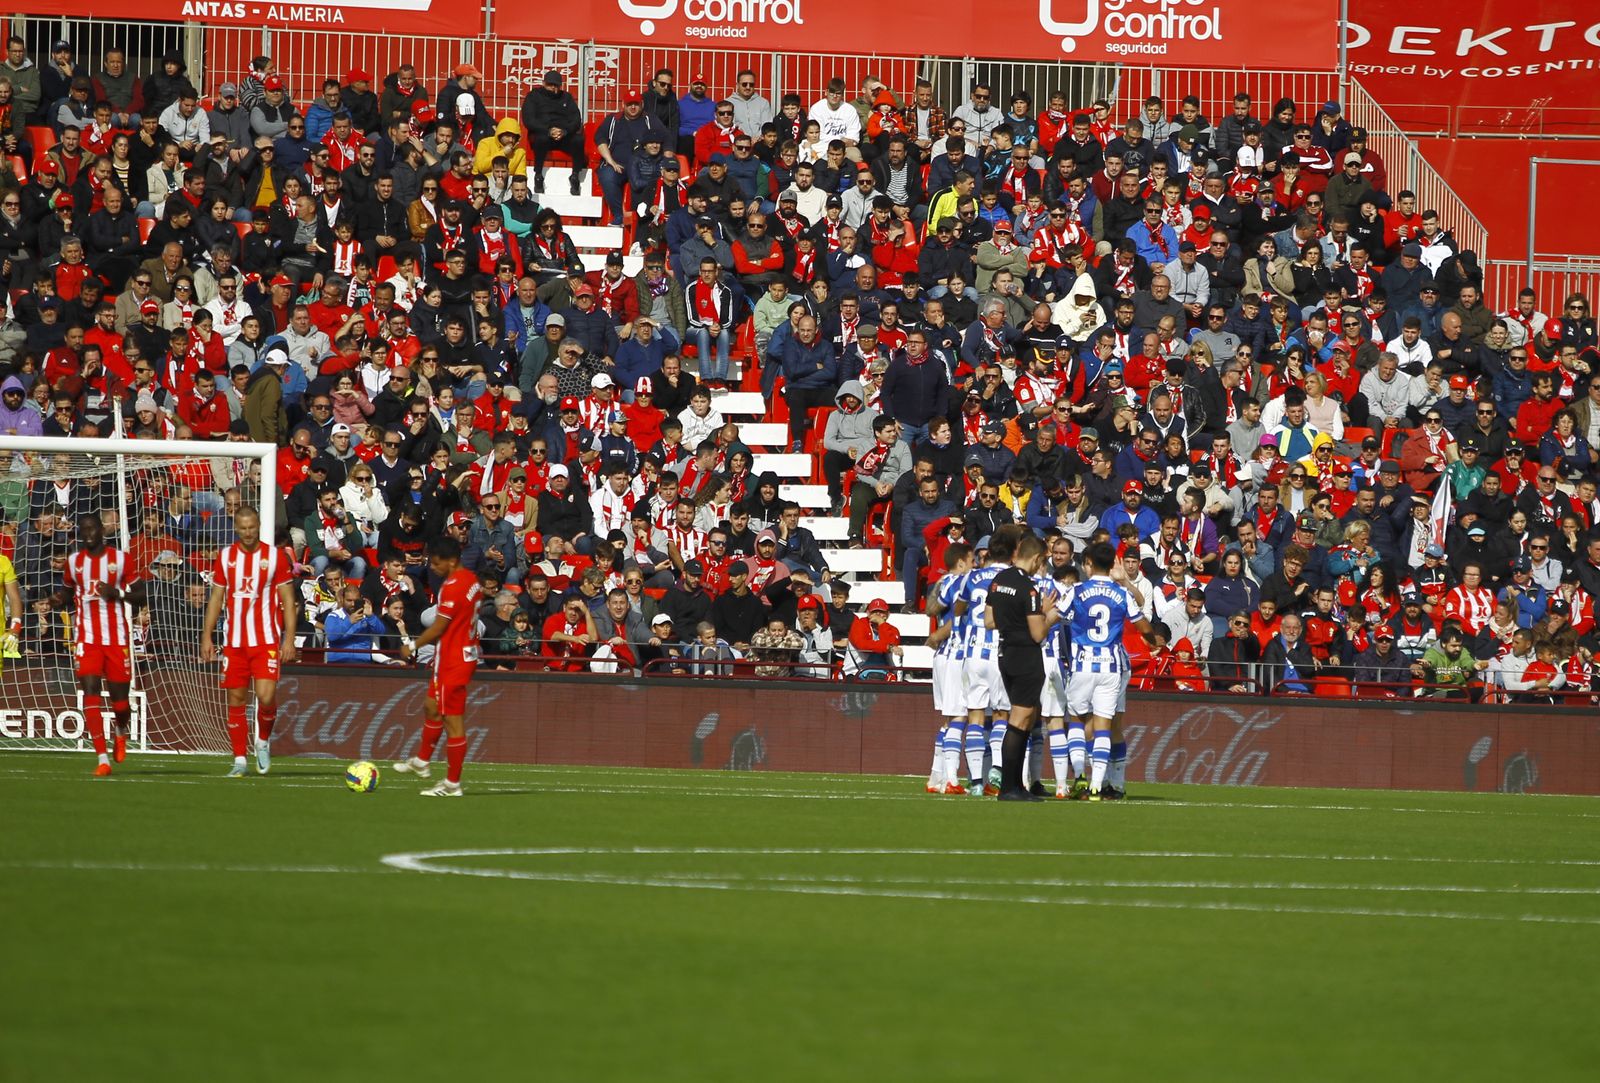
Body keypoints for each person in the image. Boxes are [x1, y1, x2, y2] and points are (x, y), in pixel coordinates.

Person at [199, 508, 298, 777]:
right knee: (236, 699)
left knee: (266, 698)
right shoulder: (226, 557)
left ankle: (263, 741)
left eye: (252, 527)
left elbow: (288, 601)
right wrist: (207, 635)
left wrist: (289, 639)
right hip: (234, 641)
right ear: (236, 528)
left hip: (265, 639)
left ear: (258, 525)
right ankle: (240, 760)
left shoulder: (274, 557)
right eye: (243, 528)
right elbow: (216, 599)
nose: (248, 532)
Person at [1059, 539, 1153, 800]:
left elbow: (1057, 617)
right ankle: (1099, 786)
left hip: (1082, 664)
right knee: (1106, 726)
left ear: (1088, 564)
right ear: (1112, 563)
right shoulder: (1121, 593)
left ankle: (1084, 778)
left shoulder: (1076, 591)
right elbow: (1143, 622)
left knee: (1078, 722)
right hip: (1113, 666)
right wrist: (1154, 638)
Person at [55, 513, 146, 776]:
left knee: (121, 704)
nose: (89, 534)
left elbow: (141, 595)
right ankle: (102, 759)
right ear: (80, 533)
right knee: (91, 691)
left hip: (116, 638)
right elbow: (70, 591)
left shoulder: (120, 559)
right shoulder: (73, 562)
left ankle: (120, 730)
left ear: (102, 530)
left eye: (92, 528)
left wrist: (117, 593)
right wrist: (56, 599)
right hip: (87, 638)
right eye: (84, 530)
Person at [392, 538, 482, 797]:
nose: (433, 566)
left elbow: (440, 627)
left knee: (452, 722)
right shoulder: (471, 580)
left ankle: (452, 784)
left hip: (454, 660)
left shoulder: (453, 586)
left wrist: (412, 645)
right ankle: (422, 761)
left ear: (451, 561)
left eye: (436, 562)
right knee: (431, 706)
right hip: (456, 655)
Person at [985, 530, 1056, 800]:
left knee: (1021, 718)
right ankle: (1009, 787)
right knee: (1020, 719)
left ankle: (1016, 786)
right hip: (1026, 655)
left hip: (1005, 652)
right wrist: (1047, 614)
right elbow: (1038, 633)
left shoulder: (999, 579)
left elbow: (989, 621)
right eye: (1042, 561)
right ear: (1037, 558)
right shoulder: (1029, 587)